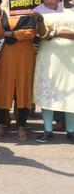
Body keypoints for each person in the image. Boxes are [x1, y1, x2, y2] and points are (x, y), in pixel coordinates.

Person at [0, 0, 37, 142]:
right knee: (2, 89)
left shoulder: (30, 12)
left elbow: (30, 33)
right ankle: (2, 124)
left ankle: (22, 126)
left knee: (23, 90)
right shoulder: (2, 12)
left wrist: (10, 33)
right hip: (5, 57)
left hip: (25, 57)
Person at [33, 9, 74, 143]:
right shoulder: (42, 10)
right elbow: (43, 35)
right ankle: (47, 130)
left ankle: (71, 131)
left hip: (71, 59)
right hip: (48, 58)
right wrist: (39, 20)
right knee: (47, 92)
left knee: (71, 94)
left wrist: (56, 33)